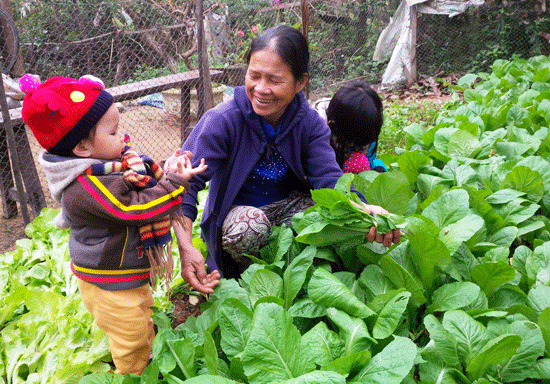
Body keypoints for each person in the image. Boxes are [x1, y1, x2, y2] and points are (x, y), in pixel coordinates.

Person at [171, 25, 400, 295]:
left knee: (324, 216)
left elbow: (329, 181)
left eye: (274, 80)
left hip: (289, 210)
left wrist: (365, 212)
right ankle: (249, 282)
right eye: (254, 76)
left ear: (300, 82)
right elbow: (183, 185)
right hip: (243, 216)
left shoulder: (309, 124)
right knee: (247, 227)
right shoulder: (223, 120)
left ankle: (298, 277)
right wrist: (186, 249)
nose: (261, 89)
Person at [19, 74, 206, 375]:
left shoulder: (106, 168)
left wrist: (166, 170)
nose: (123, 138)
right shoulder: (82, 189)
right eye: (114, 132)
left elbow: (138, 182)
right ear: (81, 147)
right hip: (108, 283)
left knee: (141, 317)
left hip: (126, 275)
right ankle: (133, 375)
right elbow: (136, 207)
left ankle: (147, 358)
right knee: (129, 338)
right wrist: (174, 182)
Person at [325, 80, 388, 174]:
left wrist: (377, 171)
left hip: (347, 170)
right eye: (353, 142)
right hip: (327, 172)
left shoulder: (367, 133)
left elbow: (371, 158)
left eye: (363, 144)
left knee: (359, 163)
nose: (358, 147)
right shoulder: (322, 134)